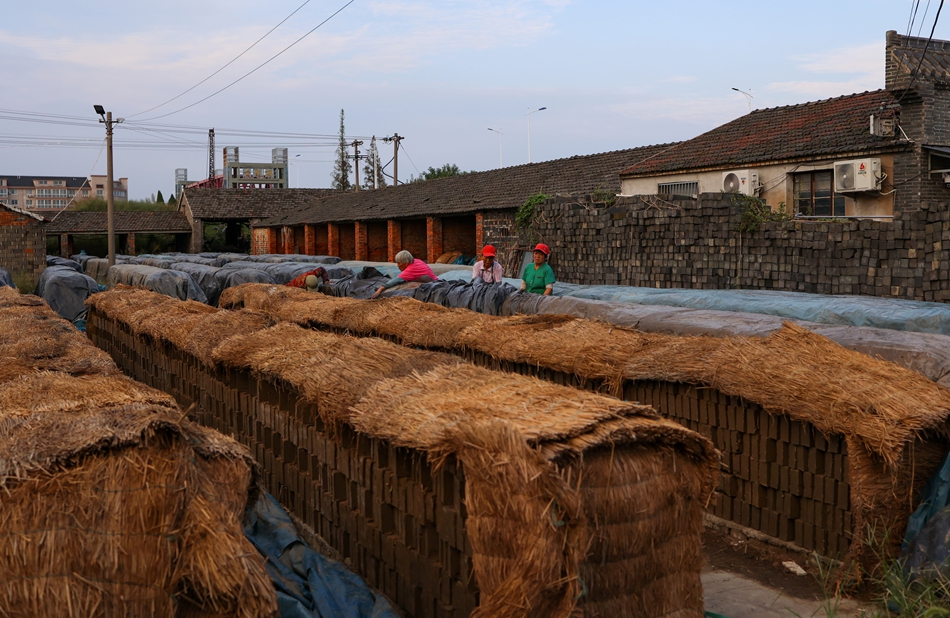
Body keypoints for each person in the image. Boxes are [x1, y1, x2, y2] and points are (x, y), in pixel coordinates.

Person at [372, 250, 437, 298]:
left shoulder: (410, 270)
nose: (397, 265)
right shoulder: (417, 261)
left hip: (433, 285)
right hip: (436, 281)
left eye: (399, 263)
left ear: (406, 263)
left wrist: (381, 288)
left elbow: (395, 280)